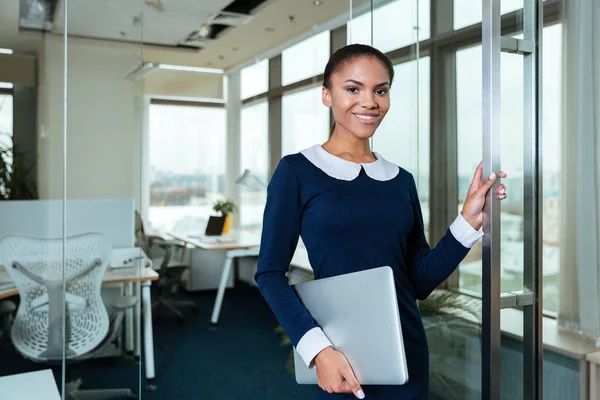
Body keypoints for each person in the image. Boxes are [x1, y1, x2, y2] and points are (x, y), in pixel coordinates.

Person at [254, 44, 507, 400]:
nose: (369, 101)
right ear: (327, 95)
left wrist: (467, 222)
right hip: (341, 355)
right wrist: (317, 351)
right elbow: (268, 274)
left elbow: (418, 281)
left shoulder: (401, 179)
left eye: (381, 90)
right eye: (353, 88)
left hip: (407, 352)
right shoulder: (297, 171)